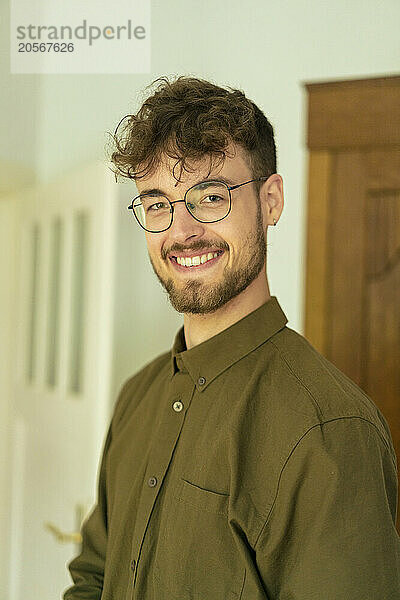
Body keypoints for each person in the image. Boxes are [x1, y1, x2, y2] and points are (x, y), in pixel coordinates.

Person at [64, 76, 400, 600]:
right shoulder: (139, 395)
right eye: (157, 204)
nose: (182, 231)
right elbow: (93, 577)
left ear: (271, 201)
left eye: (210, 196)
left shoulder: (330, 429)